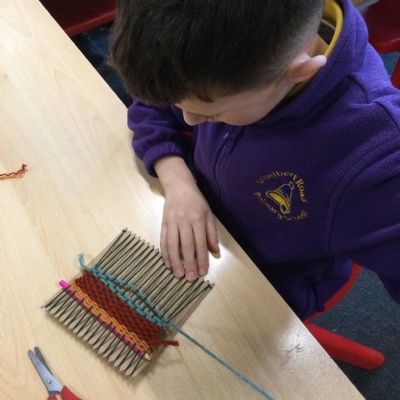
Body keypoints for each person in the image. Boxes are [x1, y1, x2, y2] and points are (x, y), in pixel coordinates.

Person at [110, 0, 400, 320]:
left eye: (212, 114)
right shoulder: (202, 67)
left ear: (298, 72)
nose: (188, 120)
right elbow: (157, 97)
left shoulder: (377, 157)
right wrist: (178, 181)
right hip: (194, 211)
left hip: (269, 284)